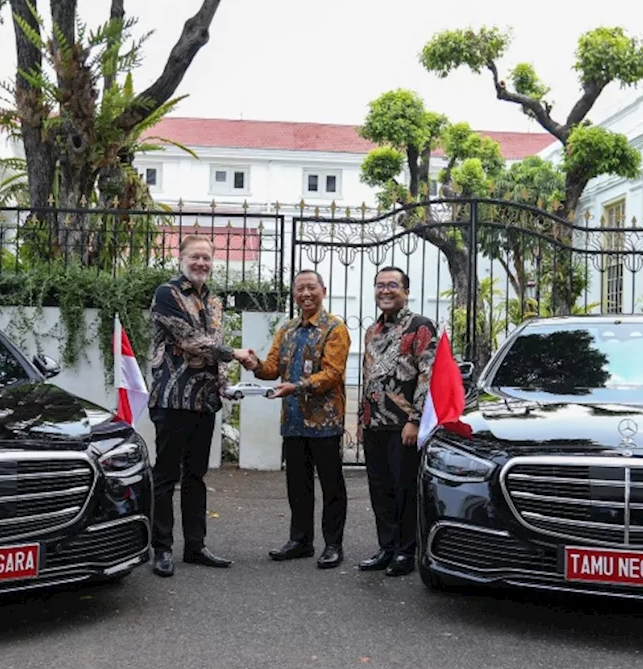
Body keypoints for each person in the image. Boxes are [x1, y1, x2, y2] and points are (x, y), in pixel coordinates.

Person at [147, 234, 256, 577]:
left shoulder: (214, 302)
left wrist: (224, 385)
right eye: (195, 257)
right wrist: (235, 354)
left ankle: (195, 546)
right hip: (172, 398)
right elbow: (190, 340)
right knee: (166, 476)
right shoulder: (167, 294)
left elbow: (216, 344)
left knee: (196, 476)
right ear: (180, 258)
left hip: (203, 401)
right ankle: (161, 549)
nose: (201, 264)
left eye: (206, 259)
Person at [237, 269, 351, 569]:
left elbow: (332, 373)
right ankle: (300, 541)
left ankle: (333, 545)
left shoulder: (334, 328)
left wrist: (296, 386)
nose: (306, 294)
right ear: (294, 294)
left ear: (323, 290)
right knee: (297, 484)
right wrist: (254, 364)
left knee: (331, 485)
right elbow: (272, 368)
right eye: (300, 289)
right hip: (294, 421)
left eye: (311, 288)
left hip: (325, 421)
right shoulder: (287, 330)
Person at [357, 266, 438, 577]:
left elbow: (427, 376)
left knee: (404, 488)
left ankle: (406, 551)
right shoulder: (373, 331)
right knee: (380, 489)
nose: (385, 291)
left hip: (403, 425)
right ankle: (386, 547)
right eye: (380, 285)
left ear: (406, 291)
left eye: (393, 285)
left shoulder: (420, 326)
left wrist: (415, 420)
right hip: (373, 423)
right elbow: (368, 379)